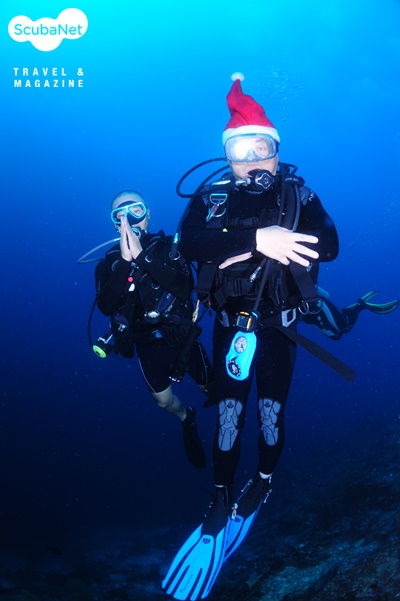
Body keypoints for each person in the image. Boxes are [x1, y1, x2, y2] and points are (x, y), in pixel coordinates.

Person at [162, 76, 339, 600]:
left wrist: (288, 236)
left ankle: (262, 481)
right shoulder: (212, 197)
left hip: (282, 325)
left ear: (277, 153)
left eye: (262, 148)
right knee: (229, 414)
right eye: (241, 151)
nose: (253, 160)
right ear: (228, 157)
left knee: (270, 412)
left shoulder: (298, 194)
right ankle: (220, 495)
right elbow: (186, 243)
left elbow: (330, 244)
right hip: (231, 324)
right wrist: (255, 238)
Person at [95, 190, 212, 469]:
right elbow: (106, 306)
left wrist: (141, 257)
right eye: (120, 215)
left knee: (212, 388)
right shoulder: (107, 264)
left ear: (148, 215)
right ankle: (186, 417)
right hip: (145, 342)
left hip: (181, 334)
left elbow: (185, 287)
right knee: (163, 401)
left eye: (135, 210)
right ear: (115, 224)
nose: (128, 219)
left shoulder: (170, 247)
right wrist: (125, 262)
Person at [300, 288, 399, 340]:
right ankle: (350, 310)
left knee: (344, 328)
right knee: (336, 336)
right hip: (308, 310)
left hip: (315, 302)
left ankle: (360, 305)